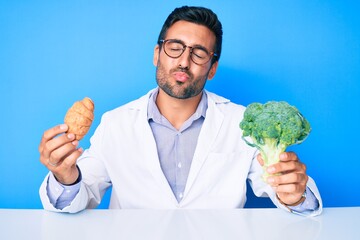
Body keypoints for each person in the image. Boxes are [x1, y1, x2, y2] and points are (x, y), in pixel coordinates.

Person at [39, 6, 322, 215]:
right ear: (156, 54)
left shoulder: (241, 123)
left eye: (199, 53)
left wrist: (295, 194)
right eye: (175, 47)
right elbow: (79, 196)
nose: (184, 61)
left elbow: (284, 193)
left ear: (212, 69)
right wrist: (65, 176)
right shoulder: (115, 123)